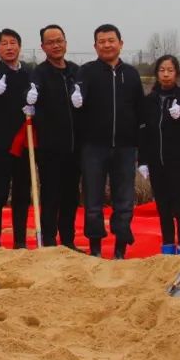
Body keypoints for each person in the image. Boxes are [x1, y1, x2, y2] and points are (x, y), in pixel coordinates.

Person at [77, 24, 145, 259]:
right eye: (102, 41)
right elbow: (77, 104)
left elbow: (140, 111)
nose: (107, 45)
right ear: (95, 46)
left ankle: (120, 249)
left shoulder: (131, 74)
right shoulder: (86, 72)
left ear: (120, 43)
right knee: (93, 200)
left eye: (111, 40)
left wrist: (141, 146)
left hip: (125, 147)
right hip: (94, 147)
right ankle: (95, 248)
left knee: (124, 200)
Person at [30, 24, 83, 249]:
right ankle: (49, 240)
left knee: (71, 195)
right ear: (43, 47)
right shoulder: (39, 73)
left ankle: (68, 240)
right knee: (51, 194)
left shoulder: (76, 72)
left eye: (59, 40)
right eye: (50, 42)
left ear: (65, 43)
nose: (56, 45)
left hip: (75, 146)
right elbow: (30, 96)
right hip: (50, 147)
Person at [138, 55, 180, 256]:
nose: (166, 74)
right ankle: (168, 246)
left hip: (179, 162)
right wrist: (142, 160)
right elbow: (143, 132)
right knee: (163, 207)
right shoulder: (149, 100)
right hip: (156, 163)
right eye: (162, 70)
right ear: (157, 73)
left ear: (176, 73)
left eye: (170, 70)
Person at [0, 28, 32, 249]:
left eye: (13, 43)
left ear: (19, 46)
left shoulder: (29, 72)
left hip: (24, 143)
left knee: (22, 194)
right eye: (4, 44)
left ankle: (20, 241)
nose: (9, 47)